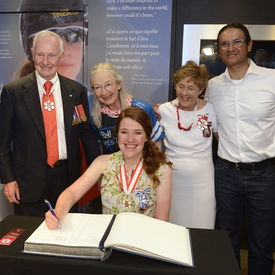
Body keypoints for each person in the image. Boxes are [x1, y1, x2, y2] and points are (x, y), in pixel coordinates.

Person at [0, 30, 100, 217]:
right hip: (26, 183)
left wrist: (98, 172)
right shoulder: (13, 92)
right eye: (40, 55)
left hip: (67, 182)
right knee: (28, 237)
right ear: (32, 53)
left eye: (52, 55)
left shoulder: (76, 92)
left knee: (64, 237)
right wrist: (8, 179)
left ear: (61, 56)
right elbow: (3, 141)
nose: (45, 61)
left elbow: (87, 135)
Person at [205, 22, 275, 275]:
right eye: (224, 43)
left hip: (265, 175)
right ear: (219, 50)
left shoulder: (272, 80)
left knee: (262, 244)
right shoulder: (213, 86)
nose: (231, 48)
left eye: (237, 42)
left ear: (249, 45)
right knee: (227, 241)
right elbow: (210, 124)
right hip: (226, 174)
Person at [45, 106, 172, 228]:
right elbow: (72, 192)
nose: (130, 139)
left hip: (140, 244)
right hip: (108, 241)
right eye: (124, 132)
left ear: (146, 137)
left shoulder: (161, 170)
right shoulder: (103, 162)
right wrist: (59, 211)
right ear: (117, 135)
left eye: (137, 133)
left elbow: (161, 223)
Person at [157, 61, 218, 229]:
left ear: (200, 89)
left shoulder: (211, 110)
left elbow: (223, 139)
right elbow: (154, 147)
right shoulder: (163, 111)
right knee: (172, 232)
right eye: (180, 86)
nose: (184, 93)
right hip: (171, 184)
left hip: (203, 185)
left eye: (191, 88)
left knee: (201, 232)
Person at [90, 62, 164, 154]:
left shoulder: (143, 109)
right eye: (98, 87)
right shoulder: (96, 118)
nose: (104, 92)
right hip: (112, 167)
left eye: (108, 85)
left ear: (119, 84)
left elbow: (156, 144)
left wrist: (154, 167)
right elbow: (100, 150)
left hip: (142, 166)